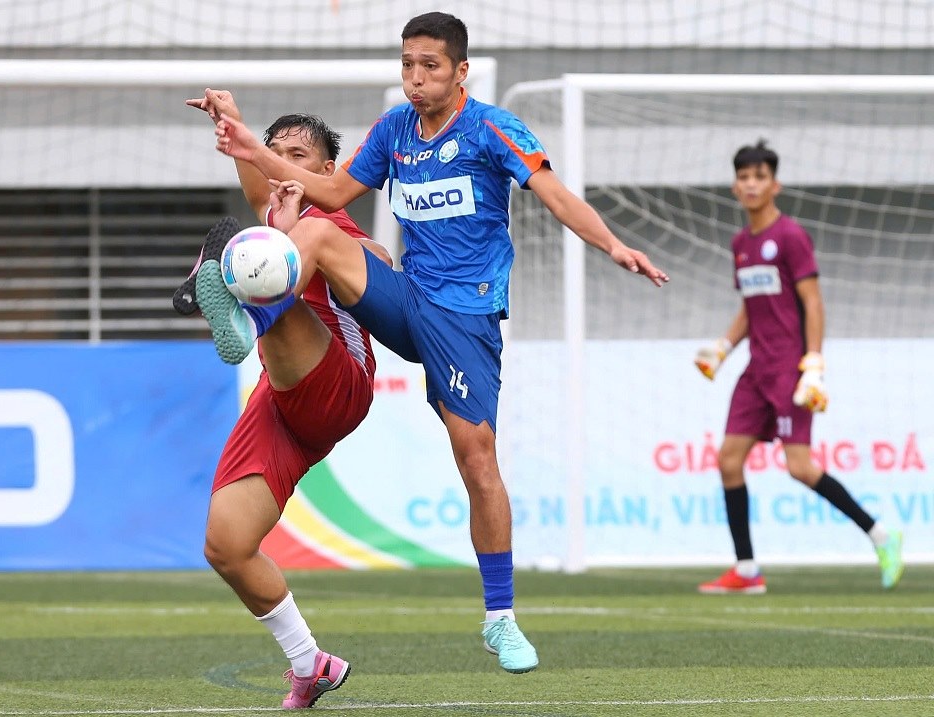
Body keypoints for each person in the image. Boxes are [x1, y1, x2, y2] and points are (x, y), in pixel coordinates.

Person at [193, 11, 669, 674]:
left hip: (464, 319)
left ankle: (500, 618)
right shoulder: (394, 131)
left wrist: (612, 243)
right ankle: (254, 309)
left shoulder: (491, 127)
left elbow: (555, 194)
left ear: (460, 70)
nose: (416, 79)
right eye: (408, 65)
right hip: (405, 296)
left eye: (431, 67)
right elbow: (329, 191)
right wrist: (250, 144)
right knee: (326, 234)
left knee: (476, 460)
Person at [174, 112, 393, 708]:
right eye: (275, 153)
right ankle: (309, 661)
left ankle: (244, 306)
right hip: (281, 398)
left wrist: (360, 256)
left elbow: (380, 266)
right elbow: (257, 187)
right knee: (227, 545)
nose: (282, 164)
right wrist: (235, 128)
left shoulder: (330, 221)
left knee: (261, 254)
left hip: (337, 381)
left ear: (327, 172)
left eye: (298, 155)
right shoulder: (276, 218)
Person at [694, 140, 904, 594]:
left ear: (775, 184)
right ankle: (747, 571)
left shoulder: (789, 236)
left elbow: (812, 302)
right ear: (735, 186)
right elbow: (752, 306)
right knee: (729, 460)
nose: (751, 184)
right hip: (755, 370)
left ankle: (881, 535)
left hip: (790, 369)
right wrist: (723, 347)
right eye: (744, 177)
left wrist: (814, 363)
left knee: (800, 467)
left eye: (760, 177)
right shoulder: (741, 243)